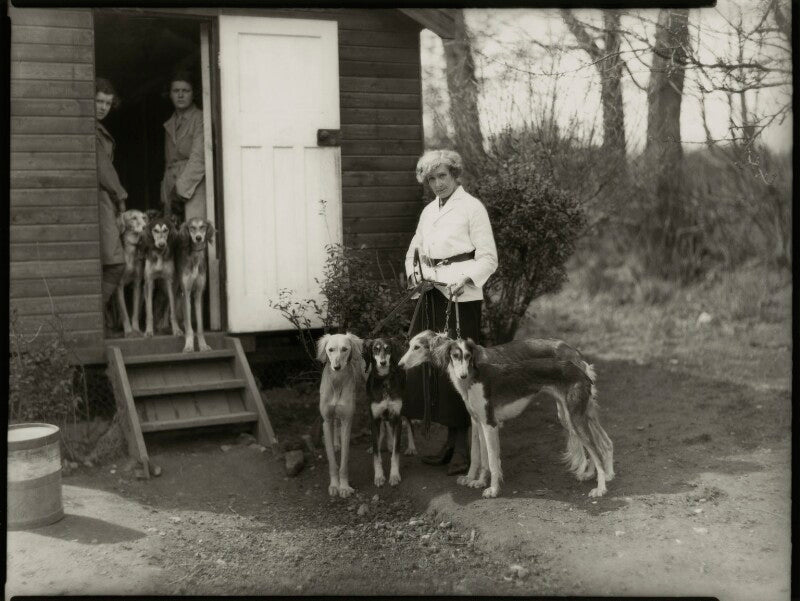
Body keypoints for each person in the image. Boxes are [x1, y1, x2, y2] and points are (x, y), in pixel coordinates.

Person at [403, 149, 498, 475]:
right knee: (439, 372)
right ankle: (449, 442)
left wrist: (465, 278)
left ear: (455, 174)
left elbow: (488, 257)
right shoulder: (429, 212)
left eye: (442, 176)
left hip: (461, 296)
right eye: (431, 178)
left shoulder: (472, 208)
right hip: (431, 294)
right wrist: (416, 278)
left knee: (462, 369)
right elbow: (414, 250)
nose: (438, 183)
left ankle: (465, 450)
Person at [95, 78, 128, 332]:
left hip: (104, 200)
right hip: (101, 199)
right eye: (98, 101)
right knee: (116, 263)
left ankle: (96, 318)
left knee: (108, 263)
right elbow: (104, 170)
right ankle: (95, 318)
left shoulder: (98, 129)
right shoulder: (93, 132)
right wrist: (121, 196)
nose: (103, 107)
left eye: (107, 103)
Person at [161, 71, 205, 224]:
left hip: (192, 187)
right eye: (176, 91)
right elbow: (169, 163)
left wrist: (180, 189)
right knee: (172, 238)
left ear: (194, 93)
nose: (180, 95)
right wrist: (165, 191)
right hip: (171, 188)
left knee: (193, 234)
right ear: (170, 94)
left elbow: (199, 158)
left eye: (185, 91)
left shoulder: (200, 119)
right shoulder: (169, 124)